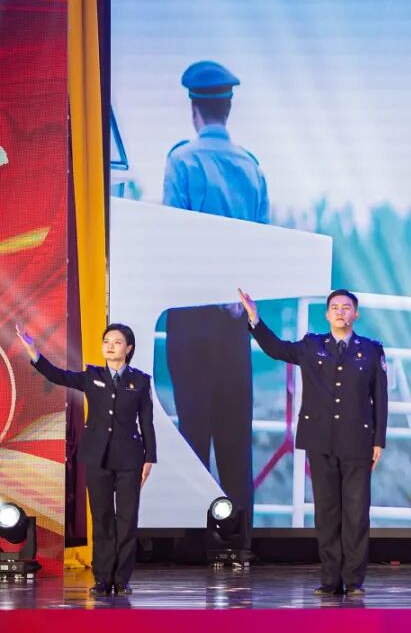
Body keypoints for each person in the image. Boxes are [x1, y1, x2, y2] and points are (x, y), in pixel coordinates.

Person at [163, 61, 269, 535]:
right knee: (235, 445)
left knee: (193, 440)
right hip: (234, 321)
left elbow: (175, 238)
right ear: (228, 108)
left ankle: (192, 544)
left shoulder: (182, 162)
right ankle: (239, 543)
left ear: (195, 109)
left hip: (192, 318)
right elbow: (262, 247)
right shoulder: (251, 168)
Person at [240, 288, 387, 596]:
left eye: (346, 307)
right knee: (327, 512)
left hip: (358, 440)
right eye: (335, 307)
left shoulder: (372, 350)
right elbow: (277, 349)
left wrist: (378, 441)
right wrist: (255, 319)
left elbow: (380, 399)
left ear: (356, 314)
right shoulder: (312, 345)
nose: (340, 312)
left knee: (356, 513)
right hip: (321, 439)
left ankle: (354, 580)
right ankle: (330, 579)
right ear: (327, 314)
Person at [15, 323, 156, 596]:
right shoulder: (92, 375)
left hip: (129, 459)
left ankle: (121, 579)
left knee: (127, 519)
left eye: (117, 342)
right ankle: (102, 578)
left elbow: (146, 423)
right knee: (101, 518)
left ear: (128, 348)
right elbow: (58, 376)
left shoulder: (140, 381)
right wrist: (34, 351)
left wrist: (149, 458)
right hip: (97, 457)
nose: (110, 346)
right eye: (106, 341)